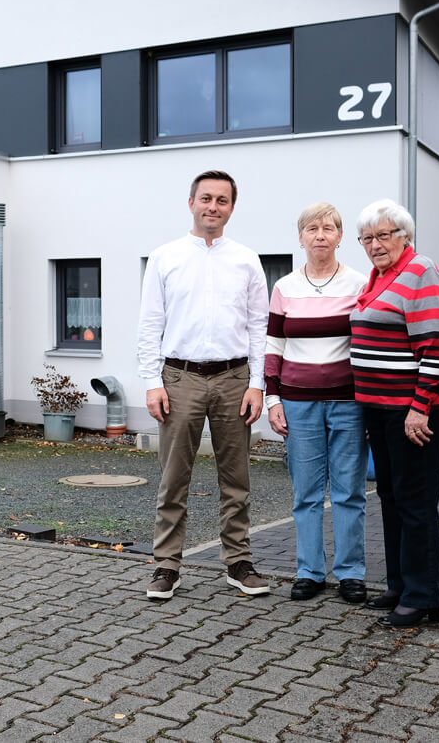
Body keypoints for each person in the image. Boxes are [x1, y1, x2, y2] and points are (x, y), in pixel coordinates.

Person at [137, 169, 270, 600]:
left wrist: (258, 384)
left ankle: (238, 562)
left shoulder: (247, 259)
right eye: (206, 198)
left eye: (222, 200)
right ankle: (167, 566)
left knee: (236, 478)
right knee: (173, 478)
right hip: (180, 378)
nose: (213, 206)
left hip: (235, 379)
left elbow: (258, 325)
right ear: (191, 202)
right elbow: (150, 324)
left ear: (232, 208)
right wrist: (152, 381)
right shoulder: (165, 257)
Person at [349, 199, 439, 627]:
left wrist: (419, 409)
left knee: (415, 504)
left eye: (384, 235)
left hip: (412, 414)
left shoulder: (420, 272)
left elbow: (438, 351)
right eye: (368, 238)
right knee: (391, 501)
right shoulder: (378, 279)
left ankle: (424, 597)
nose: (375, 245)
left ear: (404, 236)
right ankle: (399, 586)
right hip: (381, 412)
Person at [264, 202, 368, 604]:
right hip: (297, 403)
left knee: (349, 492)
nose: (320, 235)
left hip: (348, 402)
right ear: (301, 237)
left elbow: (367, 345)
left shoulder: (359, 285)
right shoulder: (285, 287)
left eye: (328, 228)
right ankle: (309, 571)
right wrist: (273, 398)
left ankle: (350, 574)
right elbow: (274, 346)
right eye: (312, 228)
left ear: (341, 236)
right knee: (306, 494)